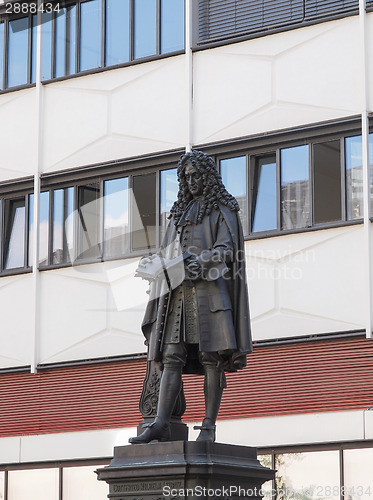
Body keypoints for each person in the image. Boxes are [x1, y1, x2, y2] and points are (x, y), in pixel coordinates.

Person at [129, 150, 252, 444]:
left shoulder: (223, 209)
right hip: (177, 296)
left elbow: (226, 249)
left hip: (210, 292)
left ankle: (208, 426)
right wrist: (153, 264)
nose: (192, 180)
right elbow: (166, 252)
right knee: (171, 356)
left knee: (212, 358)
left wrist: (199, 262)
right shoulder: (179, 212)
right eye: (187, 177)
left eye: (197, 175)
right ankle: (160, 423)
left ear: (207, 176)